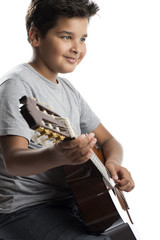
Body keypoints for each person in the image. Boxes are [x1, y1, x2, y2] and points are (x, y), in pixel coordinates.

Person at [0, 0, 135, 239]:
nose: (77, 48)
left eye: (82, 39)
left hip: (74, 202)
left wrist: (113, 163)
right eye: (66, 37)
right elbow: (13, 161)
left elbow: (109, 141)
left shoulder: (68, 90)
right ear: (35, 36)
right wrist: (56, 155)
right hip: (23, 210)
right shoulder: (17, 85)